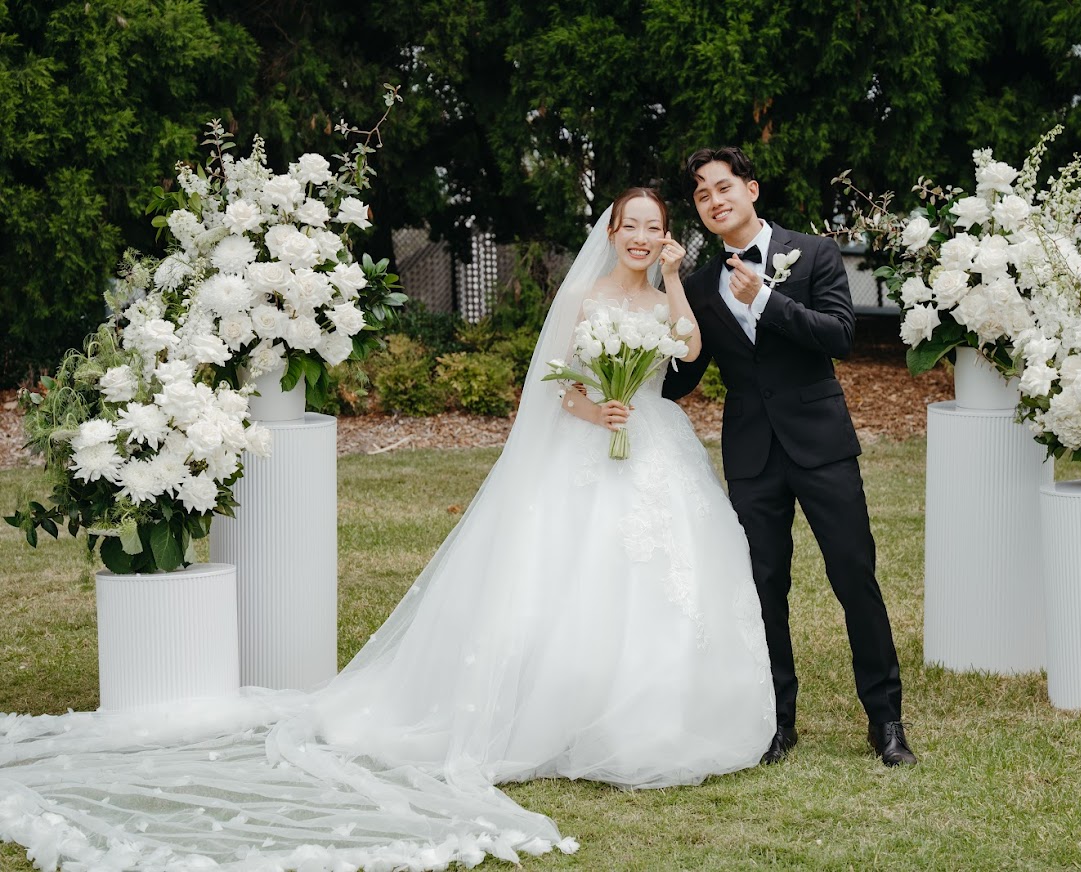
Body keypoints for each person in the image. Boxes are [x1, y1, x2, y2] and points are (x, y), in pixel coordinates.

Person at [0, 189, 775, 870]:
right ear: (610, 231)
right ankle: (559, 714)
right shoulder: (587, 294)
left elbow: (690, 348)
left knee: (660, 582)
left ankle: (646, 720)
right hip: (594, 437)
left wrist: (675, 278)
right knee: (569, 580)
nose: (640, 236)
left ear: (666, 235)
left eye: (653, 227)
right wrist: (591, 408)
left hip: (654, 443)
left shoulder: (667, 286)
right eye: (630, 225)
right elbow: (560, 383)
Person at [662, 147, 918, 767]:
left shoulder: (816, 254)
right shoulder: (698, 285)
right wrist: (633, 358)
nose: (714, 201)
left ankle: (886, 722)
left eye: (724, 188)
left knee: (854, 577)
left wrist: (765, 302)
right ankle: (777, 722)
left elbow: (841, 336)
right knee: (762, 588)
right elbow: (680, 381)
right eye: (702, 195)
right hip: (752, 453)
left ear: (751, 190)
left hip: (821, 444)